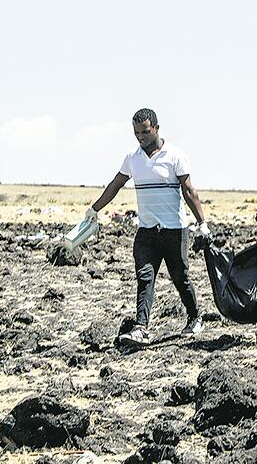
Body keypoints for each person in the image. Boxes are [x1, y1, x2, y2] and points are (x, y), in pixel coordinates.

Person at [85, 108, 211, 346]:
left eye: (145, 131)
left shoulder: (175, 155)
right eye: (136, 133)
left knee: (180, 276)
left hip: (174, 230)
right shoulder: (133, 158)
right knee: (145, 277)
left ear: (156, 128)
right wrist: (94, 209)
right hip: (146, 231)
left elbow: (189, 190)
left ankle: (195, 317)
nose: (140, 136)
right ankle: (141, 327)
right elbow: (115, 185)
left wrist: (202, 223)